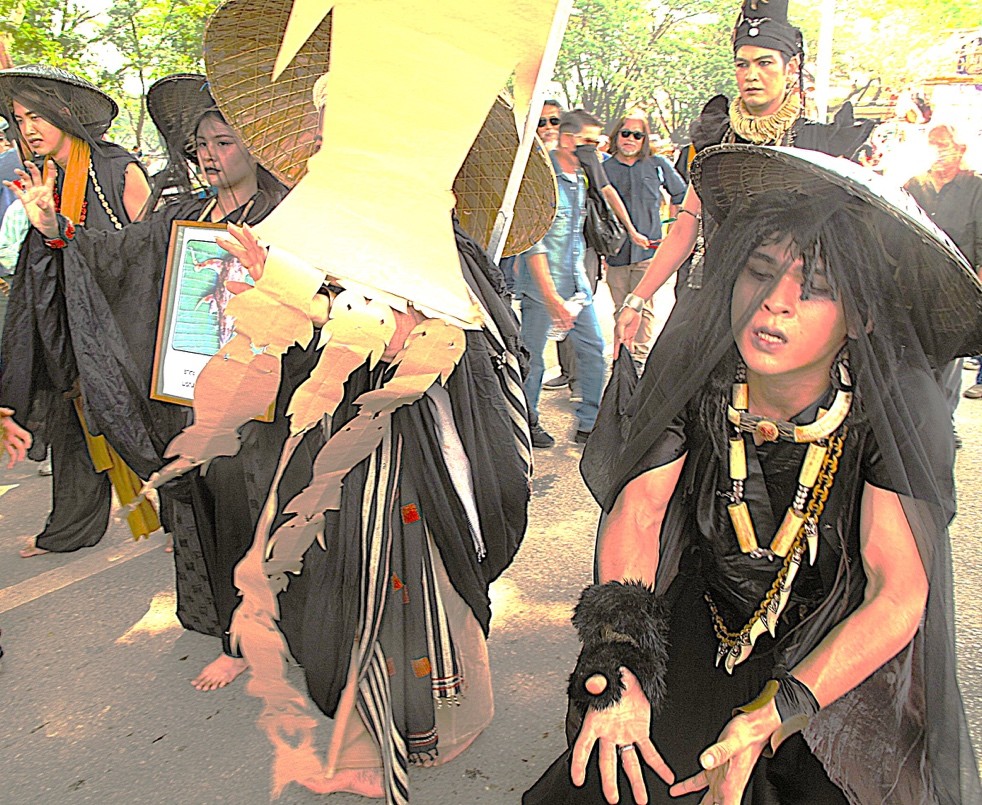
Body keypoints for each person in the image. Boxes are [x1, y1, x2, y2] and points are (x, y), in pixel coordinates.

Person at [524, 144, 982, 805]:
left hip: (838, 634)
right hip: (706, 615)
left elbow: (896, 591)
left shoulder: (894, 407)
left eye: (815, 287)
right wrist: (620, 653)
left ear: (862, 316)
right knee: (625, 768)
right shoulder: (699, 367)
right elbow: (640, 512)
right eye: (760, 272)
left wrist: (775, 713)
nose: (775, 302)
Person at [4, 74, 298, 691]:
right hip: (190, 392)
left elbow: (319, 297)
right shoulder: (184, 216)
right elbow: (116, 257)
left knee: (259, 511)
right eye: (201, 146)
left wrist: (273, 277)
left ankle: (267, 632)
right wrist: (56, 226)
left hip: (265, 395)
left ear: (256, 147)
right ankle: (233, 631)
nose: (210, 156)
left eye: (224, 142)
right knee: (206, 506)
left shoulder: (289, 215)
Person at [615, 0, 874, 351]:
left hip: (784, 314)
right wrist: (636, 299)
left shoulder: (820, 144)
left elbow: (846, 245)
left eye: (765, 63)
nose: (751, 75)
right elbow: (687, 225)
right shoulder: (716, 139)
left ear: (790, 68)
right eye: (742, 64)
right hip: (711, 303)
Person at [0, 64, 153, 558]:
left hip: (123, 323)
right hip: (67, 324)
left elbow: (149, 249)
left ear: (63, 112)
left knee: (143, 425)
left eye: (37, 115)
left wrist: (61, 229)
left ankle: (182, 521)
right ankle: (68, 529)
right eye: (20, 119)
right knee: (71, 425)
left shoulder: (116, 167)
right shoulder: (43, 177)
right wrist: (46, 226)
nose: (28, 128)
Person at [516, 110, 611, 447]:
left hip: (576, 284)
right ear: (569, 140)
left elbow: (577, 237)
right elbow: (534, 243)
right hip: (543, 288)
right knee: (533, 358)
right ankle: (526, 422)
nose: (595, 148)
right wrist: (550, 295)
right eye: (589, 142)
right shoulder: (544, 181)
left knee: (594, 350)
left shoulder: (581, 178)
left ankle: (590, 423)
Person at [904, 124, 982, 403]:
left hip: (956, 296)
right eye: (932, 144)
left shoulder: (976, 189)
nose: (936, 152)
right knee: (914, 367)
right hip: (914, 291)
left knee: (948, 368)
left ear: (960, 150)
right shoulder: (914, 185)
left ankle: (943, 422)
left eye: (943, 145)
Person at [603, 112, 686, 367]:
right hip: (617, 253)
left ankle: (639, 358)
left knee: (643, 306)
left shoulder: (657, 164)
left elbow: (681, 194)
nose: (630, 139)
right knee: (621, 308)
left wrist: (675, 230)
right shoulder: (604, 169)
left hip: (649, 252)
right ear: (617, 135)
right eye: (625, 133)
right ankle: (622, 358)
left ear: (644, 139)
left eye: (637, 135)